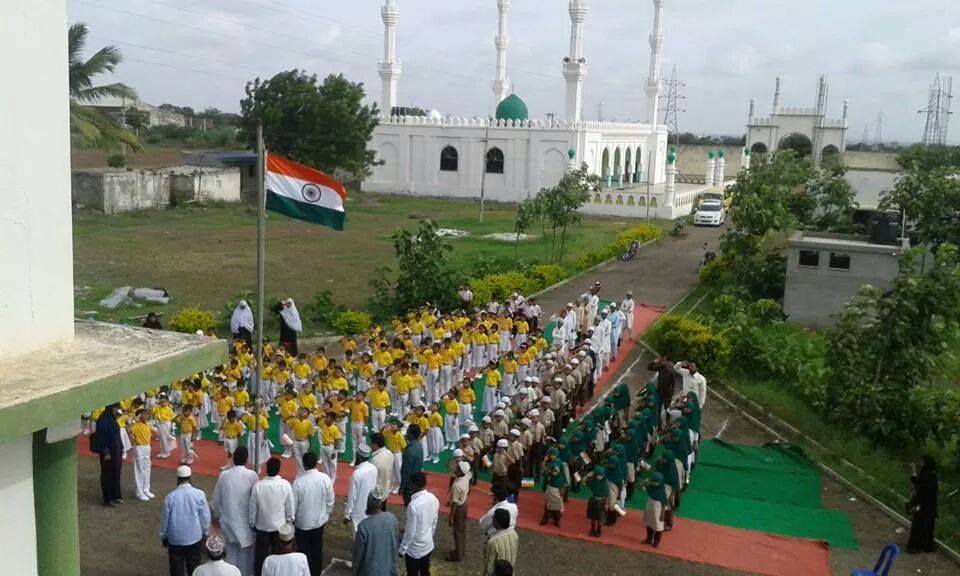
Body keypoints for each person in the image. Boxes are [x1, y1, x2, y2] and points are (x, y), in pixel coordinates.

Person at [212, 447, 258, 576]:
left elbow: (216, 500)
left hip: (228, 522)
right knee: (245, 562)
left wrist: (217, 516)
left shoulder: (224, 475)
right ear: (246, 459)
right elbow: (255, 500)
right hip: (246, 524)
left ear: (233, 458)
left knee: (230, 559)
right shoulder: (252, 475)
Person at [160, 466, 211, 576]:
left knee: (176, 569)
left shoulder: (170, 497)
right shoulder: (199, 494)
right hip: (194, 538)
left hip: (175, 539)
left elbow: (165, 520)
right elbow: (205, 517)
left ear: (178, 479)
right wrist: (205, 532)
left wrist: (163, 535)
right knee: (194, 568)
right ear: (190, 478)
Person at [249, 457, 295, 576]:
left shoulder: (258, 486)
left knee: (260, 559)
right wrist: (289, 523)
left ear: (266, 469)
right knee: (279, 558)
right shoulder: (285, 485)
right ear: (279, 469)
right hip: (279, 528)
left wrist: (252, 523)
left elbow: (253, 508)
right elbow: (290, 508)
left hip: (262, 527)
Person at [292, 451, 335, 576]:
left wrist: (292, 520)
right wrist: (326, 515)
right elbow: (330, 500)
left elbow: (293, 506)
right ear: (316, 463)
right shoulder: (325, 479)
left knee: (303, 553)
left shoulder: (299, 482)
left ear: (304, 465)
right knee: (317, 550)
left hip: (302, 524)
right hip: (318, 522)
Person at [399, 472, 439, 576]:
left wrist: (403, 549)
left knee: (412, 573)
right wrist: (431, 537)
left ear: (414, 485)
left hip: (415, 549)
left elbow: (410, 531)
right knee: (425, 571)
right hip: (428, 544)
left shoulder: (413, 505)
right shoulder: (433, 498)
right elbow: (434, 521)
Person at [353, 490, 399, 576]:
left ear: (368, 503)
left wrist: (355, 572)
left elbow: (357, 556)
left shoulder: (364, 526)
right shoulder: (392, 519)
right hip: (388, 570)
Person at [907, 456, 939, 553]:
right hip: (923, 505)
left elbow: (918, 483)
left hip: (924, 506)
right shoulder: (928, 474)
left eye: (922, 462)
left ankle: (918, 545)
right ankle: (923, 545)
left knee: (920, 524)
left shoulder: (930, 476)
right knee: (919, 523)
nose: (920, 463)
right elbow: (916, 481)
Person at [345, 444, 379, 532]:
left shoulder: (357, 474)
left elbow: (352, 496)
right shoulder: (373, 468)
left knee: (358, 538)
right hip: (370, 508)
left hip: (358, 512)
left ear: (358, 456)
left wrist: (347, 515)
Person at [447, 461, 472, 562]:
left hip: (459, 508)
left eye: (457, 468)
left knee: (457, 531)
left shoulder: (456, 486)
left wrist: (451, 517)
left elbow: (455, 504)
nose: (455, 469)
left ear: (460, 471)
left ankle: (458, 555)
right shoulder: (467, 475)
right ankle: (461, 551)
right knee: (463, 529)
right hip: (465, 503)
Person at [130, 408, 156, 501]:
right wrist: (135, 420)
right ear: (139, 416)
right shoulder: (136, 426)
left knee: (147, 469)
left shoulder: (148, 425)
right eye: (143, 414)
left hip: (147, 447)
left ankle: (146, 489)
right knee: (139, 469)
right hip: (139, 447)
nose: (146, 416)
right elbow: (129, 430)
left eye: (146, 414)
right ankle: (139, 492)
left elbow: (155, 431)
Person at [482, 509, 518, 576]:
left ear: (497, 523)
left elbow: (489, 566)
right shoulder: (514, 534)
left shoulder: (493, 542)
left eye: (494, 519)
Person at [400, 424, 424, 506]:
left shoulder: (409, 450)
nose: (406, 434)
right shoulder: (419, 446)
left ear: (411, 435)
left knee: (409, 506)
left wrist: (402, 487)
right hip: (417, 481)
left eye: (407, 432)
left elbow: (406, 471)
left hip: (410, 484)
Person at [642, 472, 669, 548]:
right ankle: (648, 539)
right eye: (653, 481)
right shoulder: (650, 486)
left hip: (658, 509)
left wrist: (662, 514)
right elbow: (640, 488)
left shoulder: (662, 492)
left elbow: (664, 504)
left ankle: (656, 542)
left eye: (656, 482)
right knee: (649, 523)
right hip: (650, 506)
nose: (654, 483)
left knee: (658, 526)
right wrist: (645, 482)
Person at [369, 433, 396, 504]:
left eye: (371, 443)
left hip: (375, 494)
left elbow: (372, 479)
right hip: (385, 491)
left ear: (375, 444)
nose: (370, 445)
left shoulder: (375, 460)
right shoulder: (390, 454)